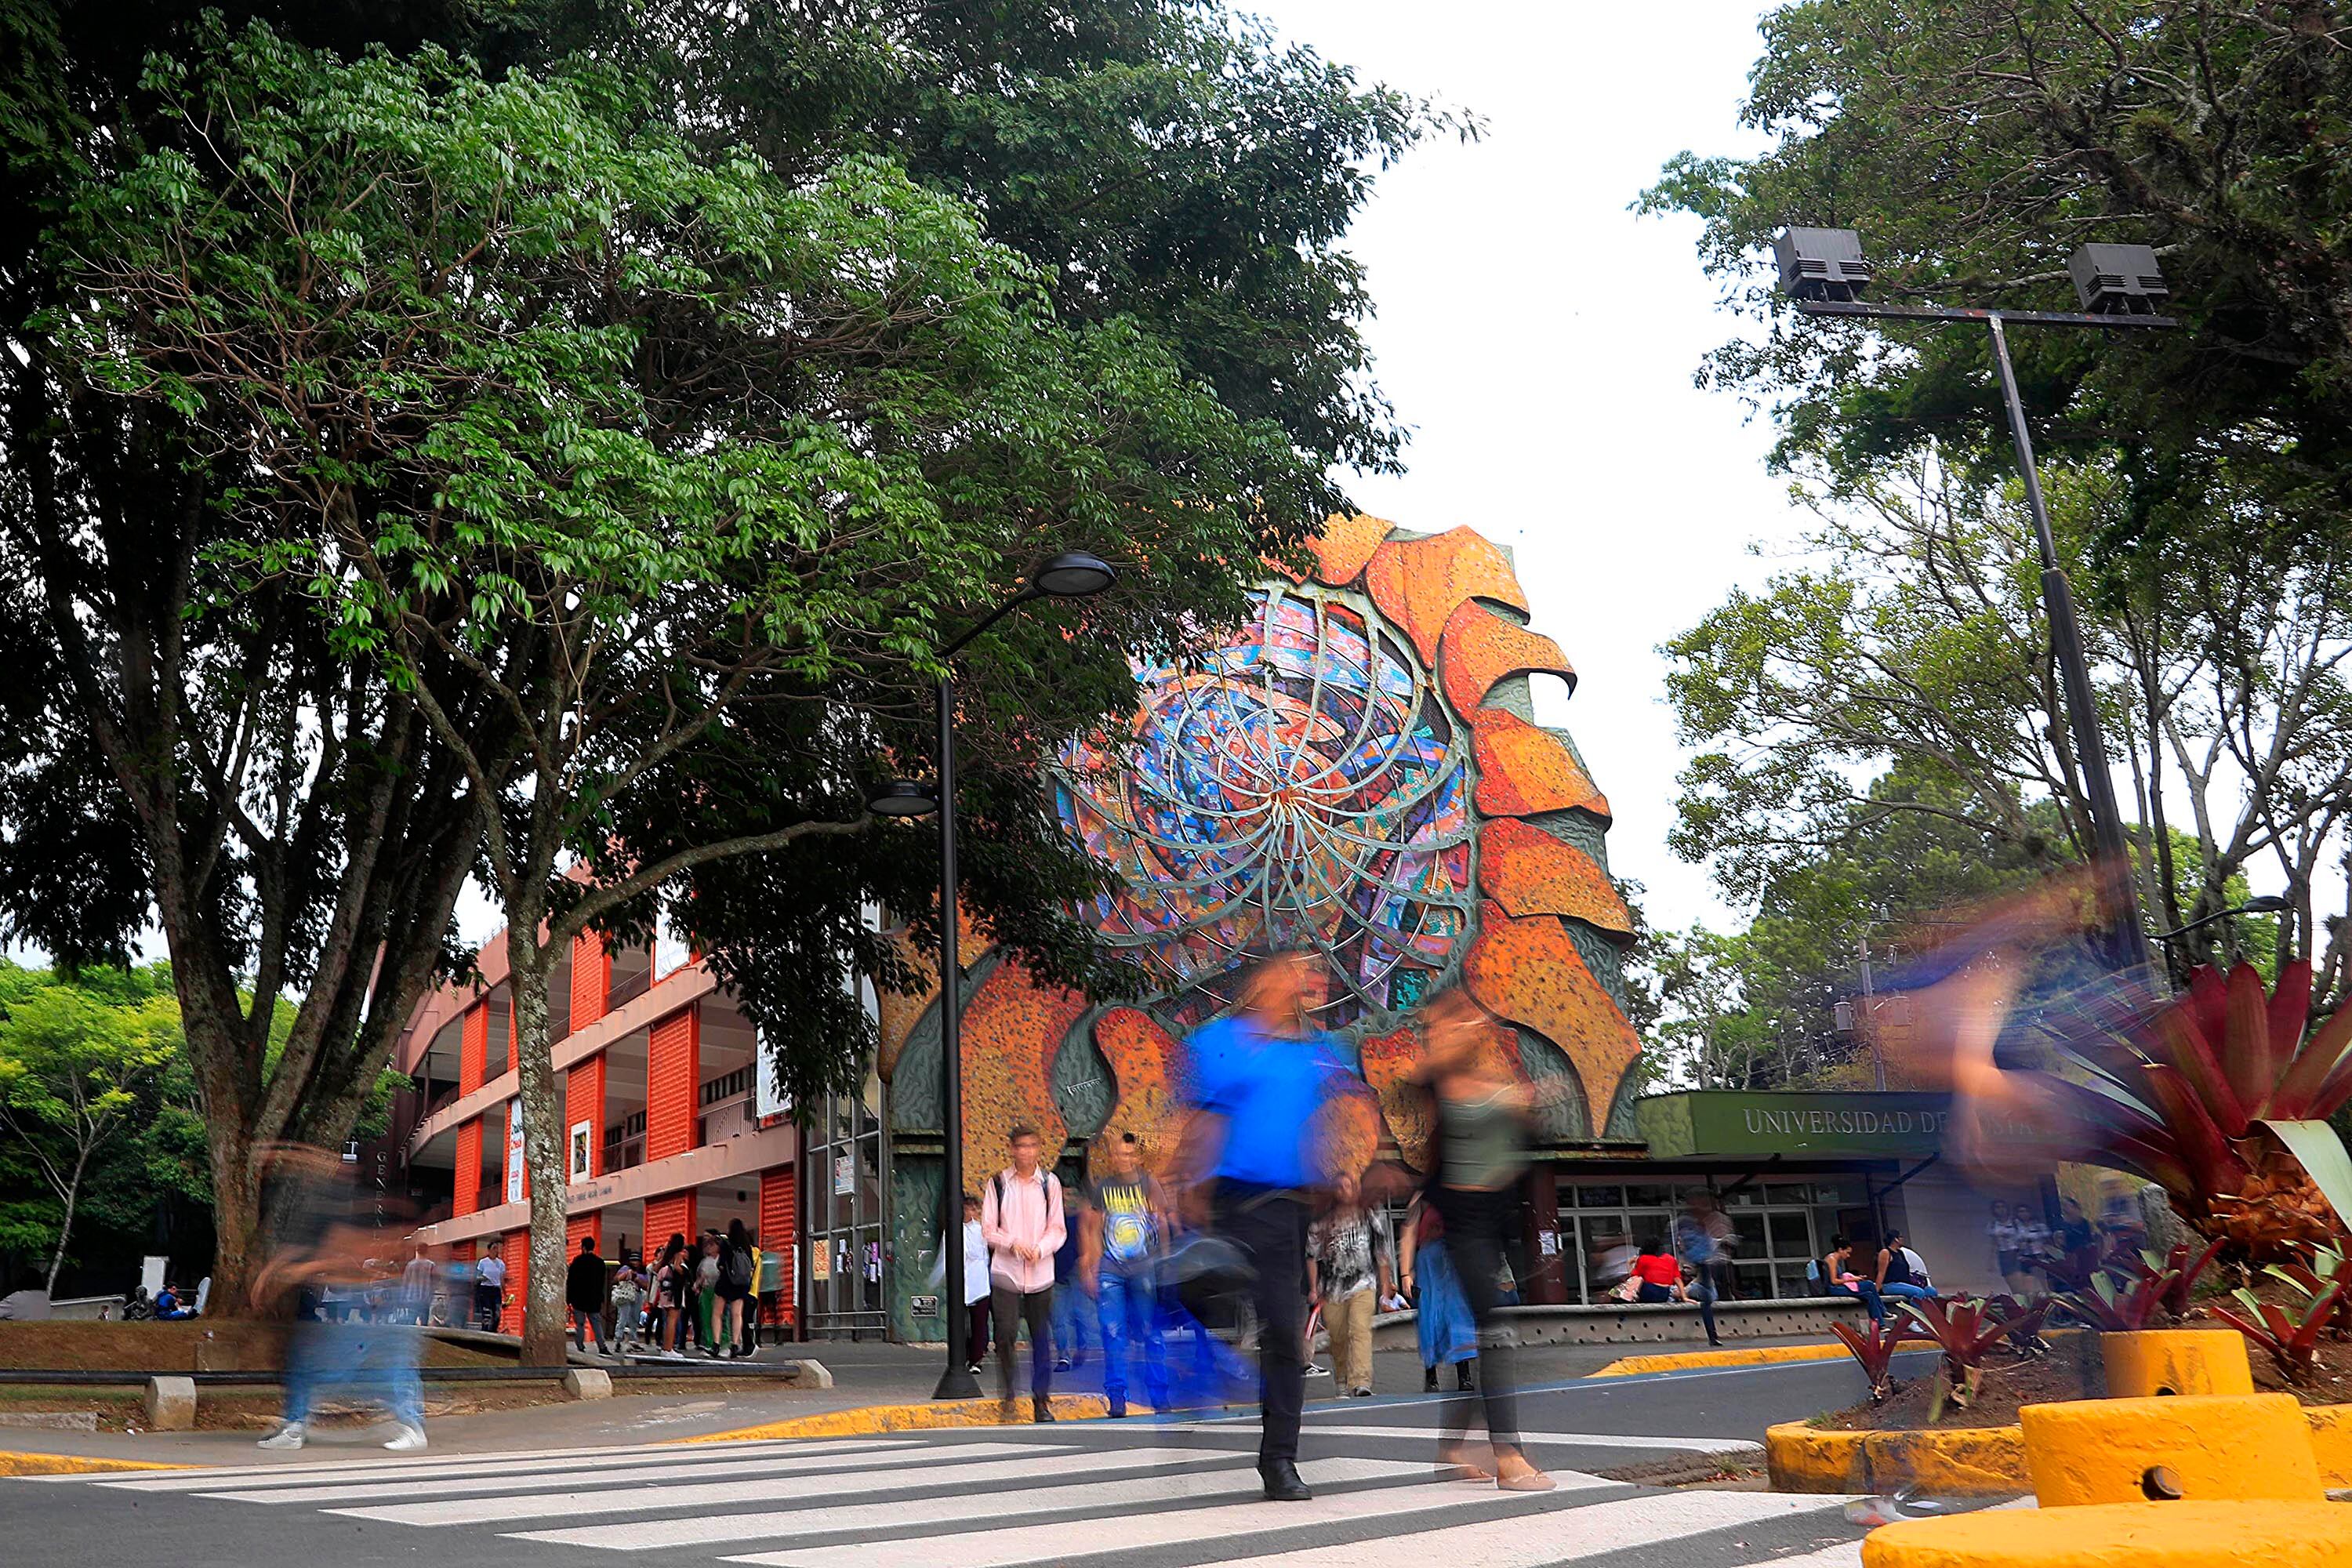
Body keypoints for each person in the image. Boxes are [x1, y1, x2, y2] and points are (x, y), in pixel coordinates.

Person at [1171, 948, 1345, 1503]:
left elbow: (1324, 1125)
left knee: (1284, 1335)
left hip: (1286, 1208)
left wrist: (1336, 1179)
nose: (1301, 979)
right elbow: (1202, 1121)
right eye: (1290, 969)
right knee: (1199, 1296)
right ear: (1262, 980)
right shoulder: (1217, 1042)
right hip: (1229, 1201)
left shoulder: (1314, 1053)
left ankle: (1279, 1460)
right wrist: (1189, 1188)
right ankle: (1190, 1365)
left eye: (1306, 971)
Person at [1413, 989, 1554, 1492]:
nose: (1468, 1028)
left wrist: (1531, 1103)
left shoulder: (1495, 1078)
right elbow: (1425, 1074)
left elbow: (1530, 1128)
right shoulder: (1440, 1078)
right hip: (1459, 1224)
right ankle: (1508, 1456)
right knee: (1494, 1331)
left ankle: (1451, 1450)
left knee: (1484, 1334)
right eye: (1451, 1024)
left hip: (1495, 1222)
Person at [253, 1144, 426, 1452]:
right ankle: (295, 1424)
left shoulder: (344, 1203)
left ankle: (410, 1423)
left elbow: (343, 1256)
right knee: (305, 1363)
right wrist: (272, 1273)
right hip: (332, 1299)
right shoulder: (316, 1206)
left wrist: (300, 1270)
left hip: (355, 1299)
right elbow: (307, 1247)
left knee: (376, 1365)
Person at [982, 1123, 1066, 1422]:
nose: (1026, 1152)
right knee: (1004, 1333)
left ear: (1039, 1149)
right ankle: (1008, 1394)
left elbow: (1058, 1228)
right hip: (1007, 1270)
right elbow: (988, 1229)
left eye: (1031, 1146)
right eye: (1021, 1147)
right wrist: (1013, 1244)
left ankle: (1041, 1401)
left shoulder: (1050, 1184)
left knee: (1040, 1337)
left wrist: (1040, 1249)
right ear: (1012, 1150)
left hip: (1041, 1271)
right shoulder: (998, 1183)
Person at [1085, 1133, 1170, 1418]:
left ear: (1138, 1157)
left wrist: (1165, 1262)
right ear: (1113, 1157)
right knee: (1113, 1333)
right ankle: (1117, 1396)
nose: (1125, 1159)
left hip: (1143, 1267)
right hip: (1111, 1269)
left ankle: (1159, 1394)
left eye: (1130, 1154)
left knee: (1150, 1331)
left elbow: (1161, 1222)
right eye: (1120, 1154)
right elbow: (1095, 1229)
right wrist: (1094, 1264)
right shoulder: (1104, 1188)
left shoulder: (1149, 1183)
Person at [1308, 1172, 1392, 1399]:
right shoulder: (1323, 1220)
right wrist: (1314, 1288)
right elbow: (1312, 1255)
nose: (1345, 1191)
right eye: (1340, 1187)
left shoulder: (1370, 1214)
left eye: (1350, 1186)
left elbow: (1382, 1252)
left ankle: (1361, 1382)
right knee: (1338, 1336)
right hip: (1332, 1289)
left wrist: (1386, 1286)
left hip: (1364, 1282)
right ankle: (1342, 1380)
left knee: (1359, 1329)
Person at [1673, 1192, 1732, 1348]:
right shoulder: (1692, 1237)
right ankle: (1712, 1336)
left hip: (1703, 1279)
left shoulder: (1702, 1240)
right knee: (1705, 1298)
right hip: (1700, 1278)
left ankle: (1713, 1336)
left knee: (1707, 1297)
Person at [1050, 1185, 1094, 1374]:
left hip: (1076, 1268)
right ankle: (1064, 1357)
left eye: (1070, 1194)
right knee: (1057, 1317)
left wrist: (1087, 1267)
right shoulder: (1051, 1216)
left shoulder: (1081, 1218)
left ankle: (1082, 1346)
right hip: (1055, 1271)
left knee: (1079, 1313)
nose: (1067, 1198)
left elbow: (1089, 1242)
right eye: (1065, 1194)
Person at [957, 1194, 992, 1374]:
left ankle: (976, 1359)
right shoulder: (956, 1231)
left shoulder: (981, 1231)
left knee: (979, 1323)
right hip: (962, 1281)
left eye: (975, 1209)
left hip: (980, 1282)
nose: (972, 1212)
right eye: (969, 1208)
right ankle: (963, 1356)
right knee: (962, 1324)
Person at [1822, 1236, 1886, 1324]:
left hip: (1838, 1287)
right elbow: (1834, 1281)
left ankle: (1880, 1323)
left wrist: (1854, 1278)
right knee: (1869, 1284)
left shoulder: (1834, 1259)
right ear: (1840, 1250)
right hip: (1834, 1289)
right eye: (1847, 1252)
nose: (1848, 1256)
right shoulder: (1832, 1259)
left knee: (1869, 1295)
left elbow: (1839, 1277)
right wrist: (1851, 1280)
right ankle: (1883, 1311)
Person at [566, 1235, 610, 1357]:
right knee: (596, 1323)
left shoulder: (577, 1261)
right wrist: (601, 1297)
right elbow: (602, 1282)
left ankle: (580, 1346)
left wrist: (568, 1298)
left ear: (584, 1248)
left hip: (578, 1298)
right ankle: (602, 1347)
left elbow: (571, 1281)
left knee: (580, 1324)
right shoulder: (600, 1262)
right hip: (594, 1299)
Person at [719, 1220, 757, 1359]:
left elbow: (721, 1264)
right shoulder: (747, 1247)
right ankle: (735, 1344)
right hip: (743, 1285)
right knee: (738, 1315)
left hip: (728, 1282)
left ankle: (718, 1343)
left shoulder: (727, 1244)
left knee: (719, 1313)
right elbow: (751, 1266)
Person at [1874, 1229, 1935, 1305]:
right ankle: (1916, 1312)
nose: (1902, 1239)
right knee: (1918, 1292)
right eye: (1900, 1237)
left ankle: (1930, 1311)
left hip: (1905, 1283)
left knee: (1931, 1291)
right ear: (1895, 1239)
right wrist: (1876, 1290)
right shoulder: (1886, 1252)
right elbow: (1881, 1273)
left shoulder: (1901, 1253)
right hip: (1891, 1285)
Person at [654, 1237, 691, 1359]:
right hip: (675, 1292)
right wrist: (679, 1264)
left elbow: (655, 1269)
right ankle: (668, 1348)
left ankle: (665, 1346)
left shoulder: (666, 1257)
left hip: (665, 1291)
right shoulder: (678, 1256)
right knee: (672, 1320)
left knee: (667, 1320)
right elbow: (678, 1269)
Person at [694, 1233, 723, 1356]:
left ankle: (723, 1343)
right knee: (706, 1318)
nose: (709, 1248)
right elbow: (702, 1275)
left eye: (712, 1245)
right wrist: (697, 1285)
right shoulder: (705, 1261)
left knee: (721, 1318)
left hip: (719, 1291)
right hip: (706, 1290)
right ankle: (709, 1343)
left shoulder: (722, 1259)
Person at [609, 1257, 644, 1356]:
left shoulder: (642, 1272)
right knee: (622, 1318)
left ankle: (633, 1341)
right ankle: (618, 1340)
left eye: (637, 1260)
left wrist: (637, 1279)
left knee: (635, 1319)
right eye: (633, 1260)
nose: (635, 1263)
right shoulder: (625, 1268)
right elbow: (616, 1280)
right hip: (625, 1295)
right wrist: (626, 1274)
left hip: (637, 1295)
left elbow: (646, 1285)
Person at [475, 1240, 507, 1333]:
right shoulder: (483, 1262)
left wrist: (505, 1293)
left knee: (497, 1313)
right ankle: (484, 1331)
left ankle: (493, 1331)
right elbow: (477, 1277)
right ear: (489, 1250)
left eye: (497, 1248)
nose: (496, 1250)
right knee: (487, 1313)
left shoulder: (501, 1263)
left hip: (496, 1290)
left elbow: (502, 1279)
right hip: (485, 1289)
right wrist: (483, 1278)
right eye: (494, 1248)